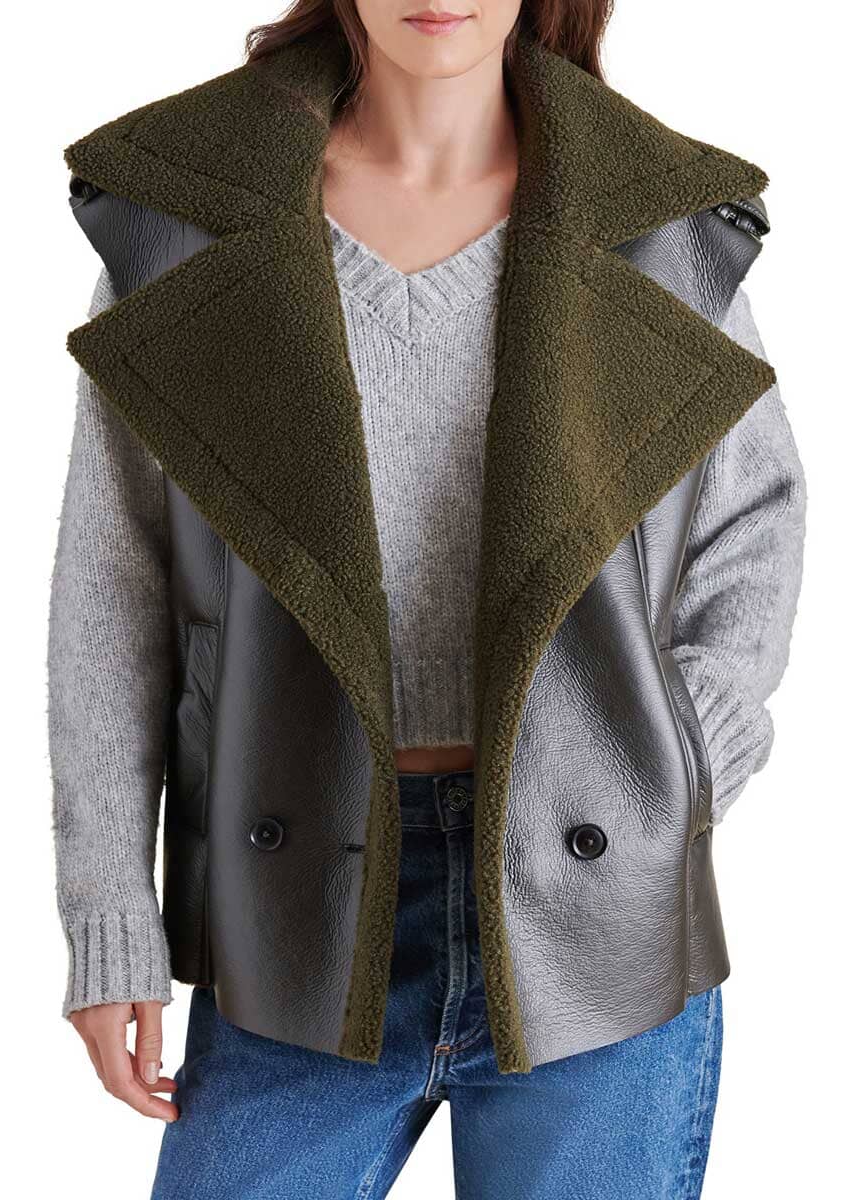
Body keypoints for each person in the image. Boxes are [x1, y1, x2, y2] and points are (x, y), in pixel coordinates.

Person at [48, 2, 806, 1196]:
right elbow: (113, 585)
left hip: (598, 923)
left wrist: (665, 757)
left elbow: (750, 524)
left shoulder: (651, 230)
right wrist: (109, 920)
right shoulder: (192, 230)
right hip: (293, 910)